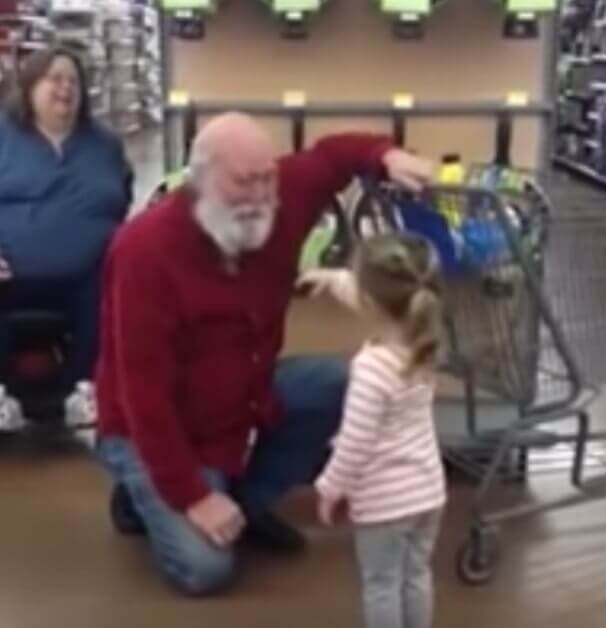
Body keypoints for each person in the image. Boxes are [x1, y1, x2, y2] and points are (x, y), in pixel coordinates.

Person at [91, 112, 435, 596]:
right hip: (152, 427)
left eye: (266, 177)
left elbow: (331, 156)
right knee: (206, 570)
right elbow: (142, 397)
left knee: (345, 381)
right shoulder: (143, 253)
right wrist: (192, 497)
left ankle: (243, 506)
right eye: (243, 182)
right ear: (200, 181)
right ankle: (141, 495)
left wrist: (386, 155)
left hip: (238, 403)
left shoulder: (281, 196)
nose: (259, 195)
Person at [302, 233, 446, 628]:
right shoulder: (425, 344)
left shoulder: (371, 369)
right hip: (428, 491)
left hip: (386, 503)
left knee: (380, 584)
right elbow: (377, 295)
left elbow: (355, 443)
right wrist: (333, 279)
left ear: (367, 302)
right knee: (416, 575)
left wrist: (329, 487)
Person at [0, 46, 132, 424]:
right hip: (9, 269)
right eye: (54, 79)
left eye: (73, 81)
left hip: (88, 272)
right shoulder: (4, 137)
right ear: (29, 88)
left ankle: (84, 388)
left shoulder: (104, 144)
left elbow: (121, 199)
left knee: (116, 283)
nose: (65, 88)